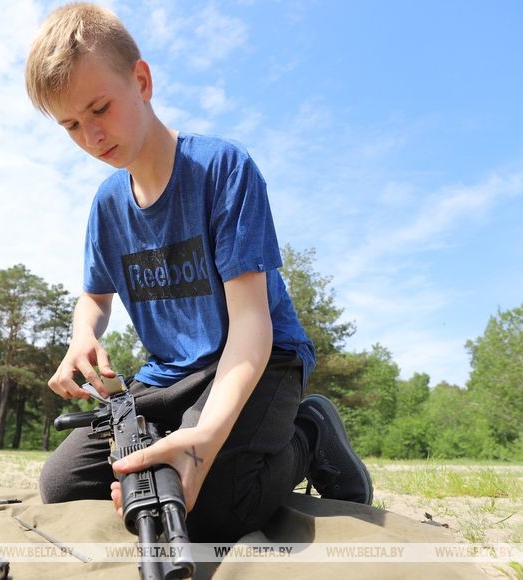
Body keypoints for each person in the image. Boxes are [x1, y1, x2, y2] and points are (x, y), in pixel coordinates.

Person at [24, 3, 373, 542]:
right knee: (64, 483)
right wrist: (81, 338)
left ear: (140, 81)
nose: (91, 136)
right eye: (71, 124)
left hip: (261, 360)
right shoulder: (107, 205)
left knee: (212, 508)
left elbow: (252, 326)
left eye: (100, 109)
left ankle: (312, 431)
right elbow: (95, 297)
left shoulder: (222, 169)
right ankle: (187, 436)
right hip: (168, 376)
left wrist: (203, 440)